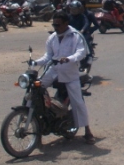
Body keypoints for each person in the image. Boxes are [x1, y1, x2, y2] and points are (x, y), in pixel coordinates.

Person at [34, 10, 94, 143]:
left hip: (70, 74)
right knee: (35, 89)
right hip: (53, 71)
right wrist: (35, 62)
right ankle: (34, 124)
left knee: (78, 102)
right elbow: (48, 56)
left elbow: (81, 53)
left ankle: (87, 131)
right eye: (54, 25)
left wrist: (69, 59)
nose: (55, 28)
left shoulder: (75, 36)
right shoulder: (52, 38)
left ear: (66, 23)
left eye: (58, 25)